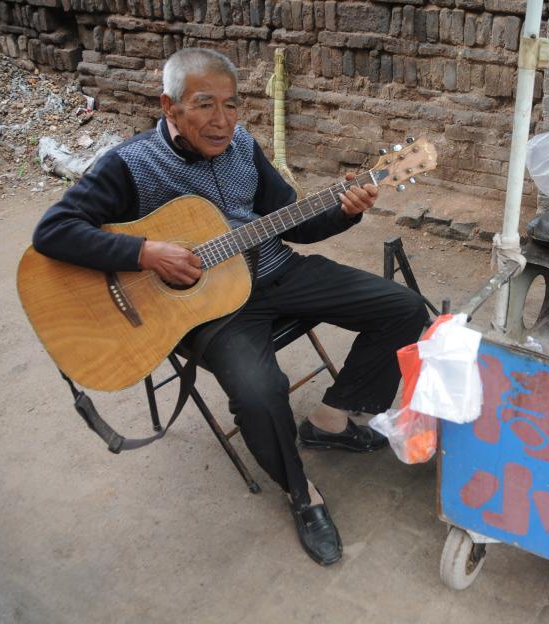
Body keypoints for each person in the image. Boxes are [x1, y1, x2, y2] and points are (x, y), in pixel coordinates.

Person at [31, 48, 429, 566]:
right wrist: (145, 252)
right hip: (209, 310)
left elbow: (293, 220)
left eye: (232, 105)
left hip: (274, 271)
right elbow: (52, 231)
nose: (222, 121)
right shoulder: (129, 165)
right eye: (204, 105)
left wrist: (345, 210)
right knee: (262, 393)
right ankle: (301, 494)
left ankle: (329, 421)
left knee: (403, 307)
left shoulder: (242, 146)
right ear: (169, 107)